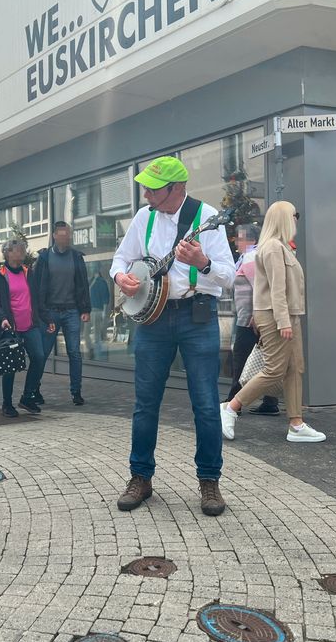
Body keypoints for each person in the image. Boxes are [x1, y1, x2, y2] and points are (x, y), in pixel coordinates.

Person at [111, 156, 235, 516]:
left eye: (154, 189)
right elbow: (120, 260)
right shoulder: (143, 217)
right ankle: (140, 477)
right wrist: (122, 278)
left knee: (206, 405)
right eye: (146, 188)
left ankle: (209, 481)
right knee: (145, 402)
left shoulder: (206, 216)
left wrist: (202, 264)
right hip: (153, 318)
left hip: (197, 316)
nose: (146, 195)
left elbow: (229, 275)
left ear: (177, 188)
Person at [221, 203, 322, 443]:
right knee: (274, 369)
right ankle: (231, 407)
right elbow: (277, 289)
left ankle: (296, 424)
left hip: (286, 315)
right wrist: (283, 321)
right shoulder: (274, 247)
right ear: (284, 218)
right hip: (277, 315)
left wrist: (287, 319)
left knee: (295, 368)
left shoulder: (279, 247)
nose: (297, 219)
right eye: (295, 215)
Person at [0, 238, 47, 416]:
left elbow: (36, 298)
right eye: (17, 249)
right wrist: (2, 317)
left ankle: (27, 397)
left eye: (23, 249)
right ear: (7, 253)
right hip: (10, 327)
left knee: (39, 358)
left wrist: (46, 318)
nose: (21, 252)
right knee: (10, 366)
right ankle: (7, 404)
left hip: (30, 325)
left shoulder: (28, 272)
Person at [223, 223, 279, 420]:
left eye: (240, 238)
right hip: (250, 317)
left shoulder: (251, 258)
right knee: (264, 358)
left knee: (241, 358)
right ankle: (270, 402)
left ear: (252, 240)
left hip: (250, 320)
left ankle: (233, 402)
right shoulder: (250, 257)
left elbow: (259, 287)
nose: (236, 242)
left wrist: (256, 314)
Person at [32, 221, 90, 405]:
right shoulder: (44, 258)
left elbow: (83, 284)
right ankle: (34, 390)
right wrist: (39, 312)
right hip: (50, 312)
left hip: (72, 311)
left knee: (74, 353)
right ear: (55, 236)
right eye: (62, 235)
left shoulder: (76, 257)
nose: (65, 238)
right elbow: (36, 287)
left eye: (68, 235)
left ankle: (76, 392)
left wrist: (85, 309)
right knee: (43, 353)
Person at [87, 269, 111, 360]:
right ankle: (91, 350)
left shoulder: (101, 282)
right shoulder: (90, 281)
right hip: (89, 311)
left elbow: (105, 297)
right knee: (86, 332)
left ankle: (97, 354)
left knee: (96, 334)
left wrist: (104, 311)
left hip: (97, 310)